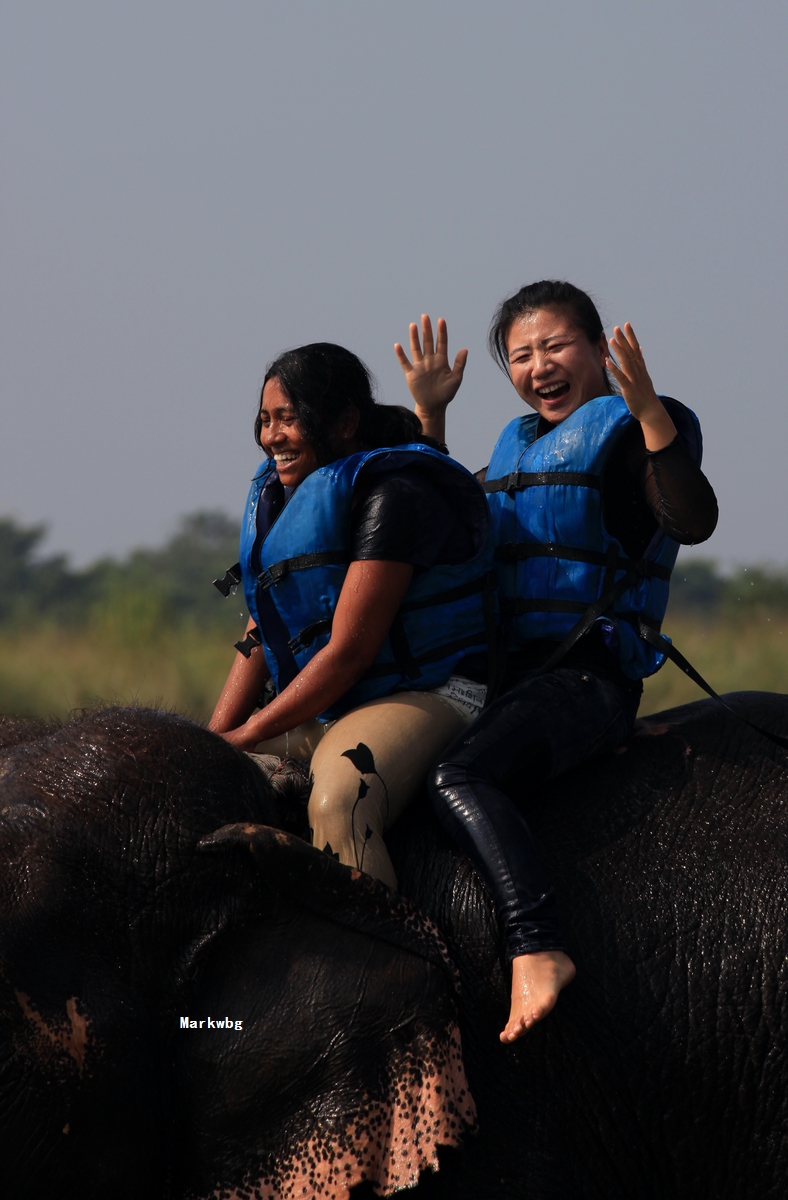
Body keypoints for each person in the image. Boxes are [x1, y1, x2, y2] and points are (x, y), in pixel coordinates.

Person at [394, 281, 718, 1041]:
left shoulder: (640, 430)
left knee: (460, 775)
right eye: (521, 354)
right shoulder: (514, 448)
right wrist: (430, 415)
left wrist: (648, 412)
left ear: (599, 351)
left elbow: (692, 519)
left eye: (556, 346)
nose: (540, 366)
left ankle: (537, 946)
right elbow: (439, 528)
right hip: (511, 681)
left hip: (588, 679)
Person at [209, 342, 494, 889]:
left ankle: (388, 965)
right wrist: (214, 739)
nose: (272, 437)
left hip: (431, 692)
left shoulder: (394, 495)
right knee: (200, 777)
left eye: (288, 419)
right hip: (334, 704)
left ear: (343, 423)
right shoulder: (287, 497)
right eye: (265, 421)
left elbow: (350, 652)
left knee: (341, 798)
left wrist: (247, 736)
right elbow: (264, 628)